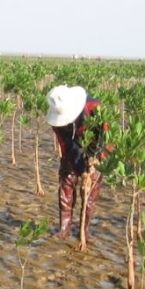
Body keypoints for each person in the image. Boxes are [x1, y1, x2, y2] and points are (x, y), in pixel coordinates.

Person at [47, 85, 109, 240]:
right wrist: (82, 172)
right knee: (66, 180)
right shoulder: (57, 121)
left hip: (96, 147)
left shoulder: (94, 108)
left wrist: (92, 164)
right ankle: (64, 229)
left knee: (90, 188)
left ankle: (84, 230)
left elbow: (102, 137)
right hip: (74, 148)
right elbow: (68, 147)